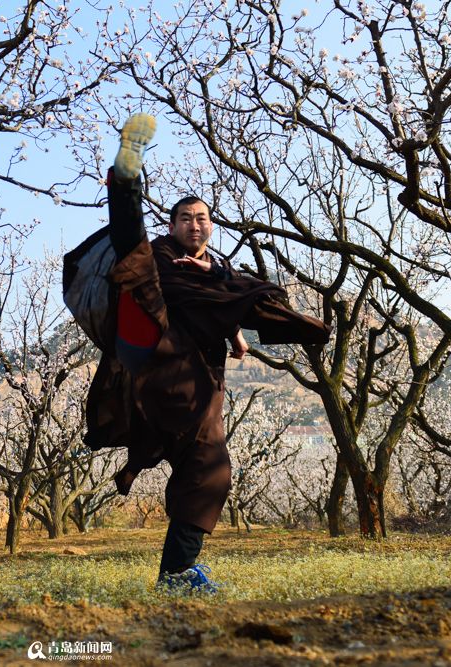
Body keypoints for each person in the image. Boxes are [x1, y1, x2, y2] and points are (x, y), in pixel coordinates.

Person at [81, 113, 331, 592]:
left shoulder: (215, 270)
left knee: (201, 470)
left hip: (200, 382)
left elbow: (228, 300)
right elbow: (139, 247)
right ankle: (177, 573)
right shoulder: (159, 260)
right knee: (209, 469)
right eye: (185, 219)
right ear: (172, 225)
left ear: (210, 227)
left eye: (202, 219)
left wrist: (233, 326)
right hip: (165, 369)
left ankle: (176, 570)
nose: (194, 225)